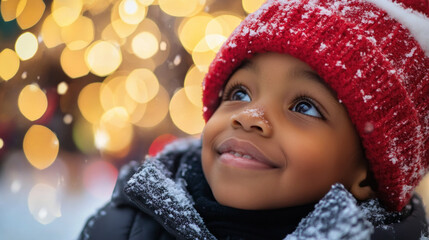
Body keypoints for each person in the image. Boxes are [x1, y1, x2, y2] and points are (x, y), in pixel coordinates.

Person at [79, 0, 429, 239]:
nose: (250, 117)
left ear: (368, 173)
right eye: (239, 94)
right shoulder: (122, 226)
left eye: (304, 107)